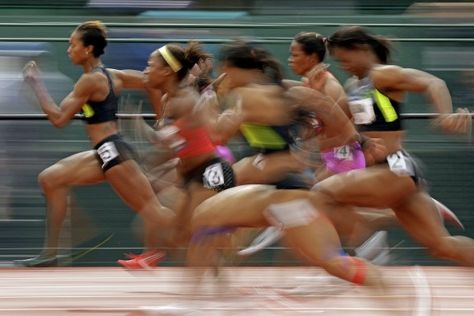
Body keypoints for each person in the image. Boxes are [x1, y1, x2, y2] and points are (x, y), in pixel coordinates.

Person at [15, 21, 174, 267]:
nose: (68, 49)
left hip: (113, 153)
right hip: (105, 152)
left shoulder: (89, 81)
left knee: (152, 209)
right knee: (50, 179)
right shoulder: (113, 76)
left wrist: (36, 85)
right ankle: (50, 254)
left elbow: (59, 119)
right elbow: (149, 82)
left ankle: (205, 237)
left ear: (87, 49)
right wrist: (159, 117)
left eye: (72, 44)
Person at [311, 25, 474, 266]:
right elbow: (336, 123)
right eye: (338, 62)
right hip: (393, 174)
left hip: (393, 171)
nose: (343, 66)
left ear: (363, 50)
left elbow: (432, 82)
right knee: (442, 246)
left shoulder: (382, 74)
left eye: (345, 60)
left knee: (319, 194)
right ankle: (376, 223)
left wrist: (445, 115)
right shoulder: (354, 86)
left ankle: (368, 231)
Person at [116, 41, 237, 268]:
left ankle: (209, 290)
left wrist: (140, 131)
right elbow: (168, 140)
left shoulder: (186, 100)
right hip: (190, 176)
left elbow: (169, 143)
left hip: (211, 171)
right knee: (177, 237)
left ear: (166, 71)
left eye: (150, 65)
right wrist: (139, 127)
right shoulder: (167, 99)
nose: (145, 70)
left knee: (197, 234)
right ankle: (218, 285)